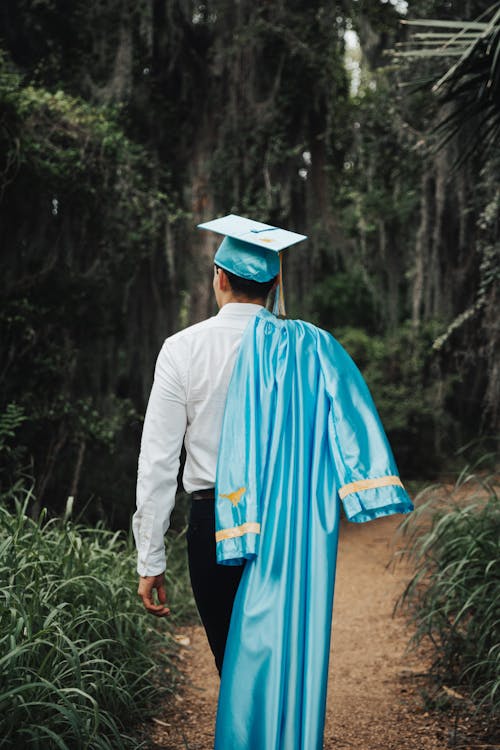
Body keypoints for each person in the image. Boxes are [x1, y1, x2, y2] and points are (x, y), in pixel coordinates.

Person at [133, 214, 413, 749]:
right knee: (281, 662)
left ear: (218, 277)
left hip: (214, 523)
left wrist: (150, 558)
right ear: (275, 285)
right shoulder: (313, 349)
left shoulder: (182, 349)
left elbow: (157, 462)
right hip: (292, 529)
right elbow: (349, 422)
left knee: (233, 668)